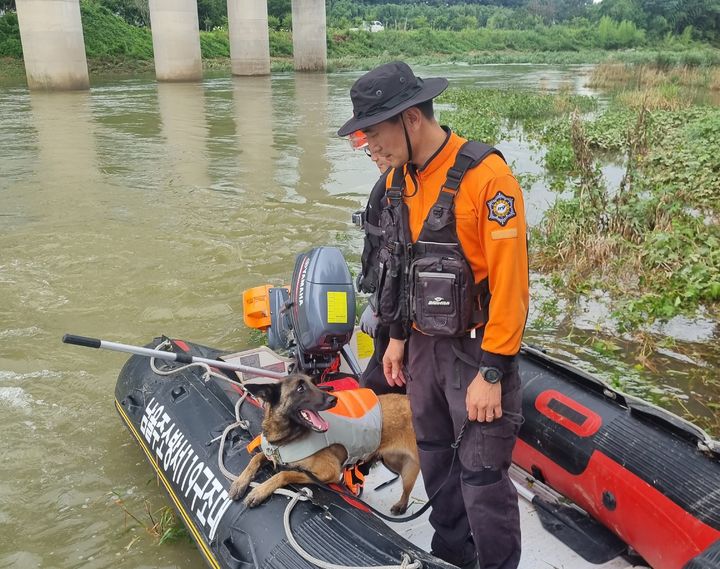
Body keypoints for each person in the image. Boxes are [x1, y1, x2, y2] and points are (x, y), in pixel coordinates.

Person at [338, 62, 529, 569]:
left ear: (411, 119)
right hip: (422, 349)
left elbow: (512, 287)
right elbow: (396, 268)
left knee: (483, 478)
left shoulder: (488, 179)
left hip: (476, 352)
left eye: (375, 135)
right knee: (438, 460)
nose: (370, 148)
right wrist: (396, 337)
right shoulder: (397, 183)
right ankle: (450, 556)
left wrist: (492, 371)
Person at [348, 130, 405, 396]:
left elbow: (401, 260)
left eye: (377, 150)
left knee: (375, 386)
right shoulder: (390, 184)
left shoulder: (402, 187)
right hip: (390, 311)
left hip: (396, 317)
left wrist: (378, 308)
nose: (374, 159)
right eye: (370, 151)